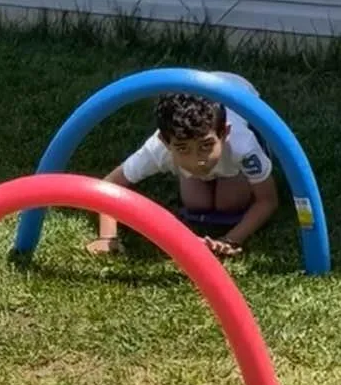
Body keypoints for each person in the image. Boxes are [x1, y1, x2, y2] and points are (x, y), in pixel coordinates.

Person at [86, 73, 279, 259]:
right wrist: (108, 237)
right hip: (201, 92)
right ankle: (203, 167)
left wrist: (230, 240)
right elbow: (109, 185)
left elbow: (267, 201)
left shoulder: (242, 145)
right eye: (182, 148)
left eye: (206, 146)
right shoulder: (157, 150)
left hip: (238, 89)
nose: (197, 160)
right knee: (197, 204)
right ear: (165, 142)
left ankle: (231, 170)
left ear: (224, 133)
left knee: (229, 203)